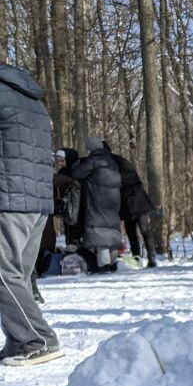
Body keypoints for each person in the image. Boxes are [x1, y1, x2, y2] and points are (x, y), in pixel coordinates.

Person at [0, 63, 62, 366]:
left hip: (9, 199)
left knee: (3, 273)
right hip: (36, 203)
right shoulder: (31, 99)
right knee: (18, 276)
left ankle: (36, 340)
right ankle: (19, 339)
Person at [68, 136, 123, 273]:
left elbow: (77, 174)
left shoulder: (93, 161)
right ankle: (113, 262)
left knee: (99, 234)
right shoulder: (112, 163)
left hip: (96, 202)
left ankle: (103, 265)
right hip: (113, 203)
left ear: (91, 148)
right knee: (110, 231)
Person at [107, 144, 162, 267]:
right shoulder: (120, 161)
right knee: (142, 230)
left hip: (131, 201)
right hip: (136, 200)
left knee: (138, 231)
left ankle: (143, 258)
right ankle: (147, 257)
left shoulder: (112, 163)